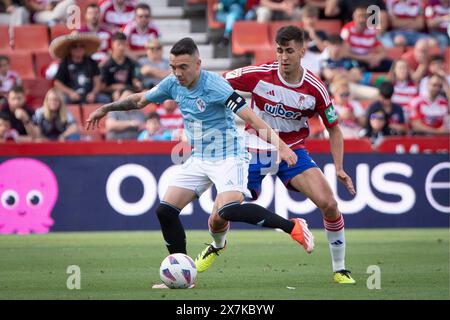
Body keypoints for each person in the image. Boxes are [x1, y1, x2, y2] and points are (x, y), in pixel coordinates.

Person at [86, 37, 313, 289]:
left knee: (227, 211)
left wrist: (281, 147)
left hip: (229, 156)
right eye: (173, 67)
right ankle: (183, 276)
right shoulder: (173, 83)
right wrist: (106, 108)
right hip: (200, 158)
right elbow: (141, 100)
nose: (177, 73)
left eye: (183, 67)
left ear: (198, 63)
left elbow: (251, 117)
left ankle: (292, 226)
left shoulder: (216, 86)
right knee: (165, 211)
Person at [198, 26, 357, 284]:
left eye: (290, 51)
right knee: (219, 215)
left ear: (302, 52)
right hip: (254, 148)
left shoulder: (315, 88)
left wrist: (339, 167)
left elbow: (334, 129)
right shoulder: (259, 74)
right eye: (280, 50)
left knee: (329, 203)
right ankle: (218, 245)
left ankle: (339, 269)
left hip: (293, 150)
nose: (284, 57)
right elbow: (217, 84)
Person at [51, 33, 109, 104]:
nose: (78, 49)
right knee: (63, 100)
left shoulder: (92, 62)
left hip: (89, 95)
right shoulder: (65, 63)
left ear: (84, 48)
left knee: (105, 99)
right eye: (75, 46)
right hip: (71, 95)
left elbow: (97, 81)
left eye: (81, 46)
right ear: (70, 49)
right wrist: (70, 93)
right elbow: (57, 83)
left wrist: (93, 93)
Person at [100, 32, 142, 101]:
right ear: (112, 44)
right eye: (119, 44)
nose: (121, 47)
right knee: (116, 94)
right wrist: (114, 87)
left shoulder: (131, 63)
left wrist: (137, 84)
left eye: (124, 44)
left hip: (128, 91)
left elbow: (135, 80)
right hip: (111, 93)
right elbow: (102, 87)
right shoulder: (105, 64)